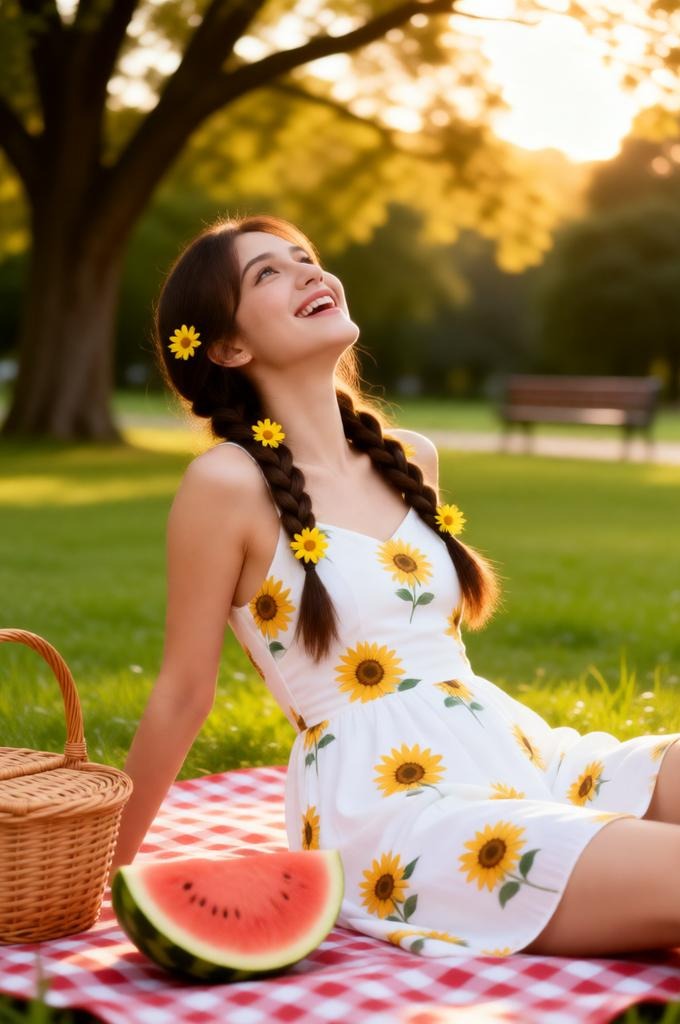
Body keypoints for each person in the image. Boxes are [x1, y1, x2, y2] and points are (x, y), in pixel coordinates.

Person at [110, 213, 680, 960]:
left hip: (521, 752)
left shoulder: (411, 456)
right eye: (268, 273)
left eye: (305, 256)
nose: (309, 272)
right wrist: (105, 866)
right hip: (394, 812)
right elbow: (184, 694)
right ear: (228, 346)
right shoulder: (225, 484)